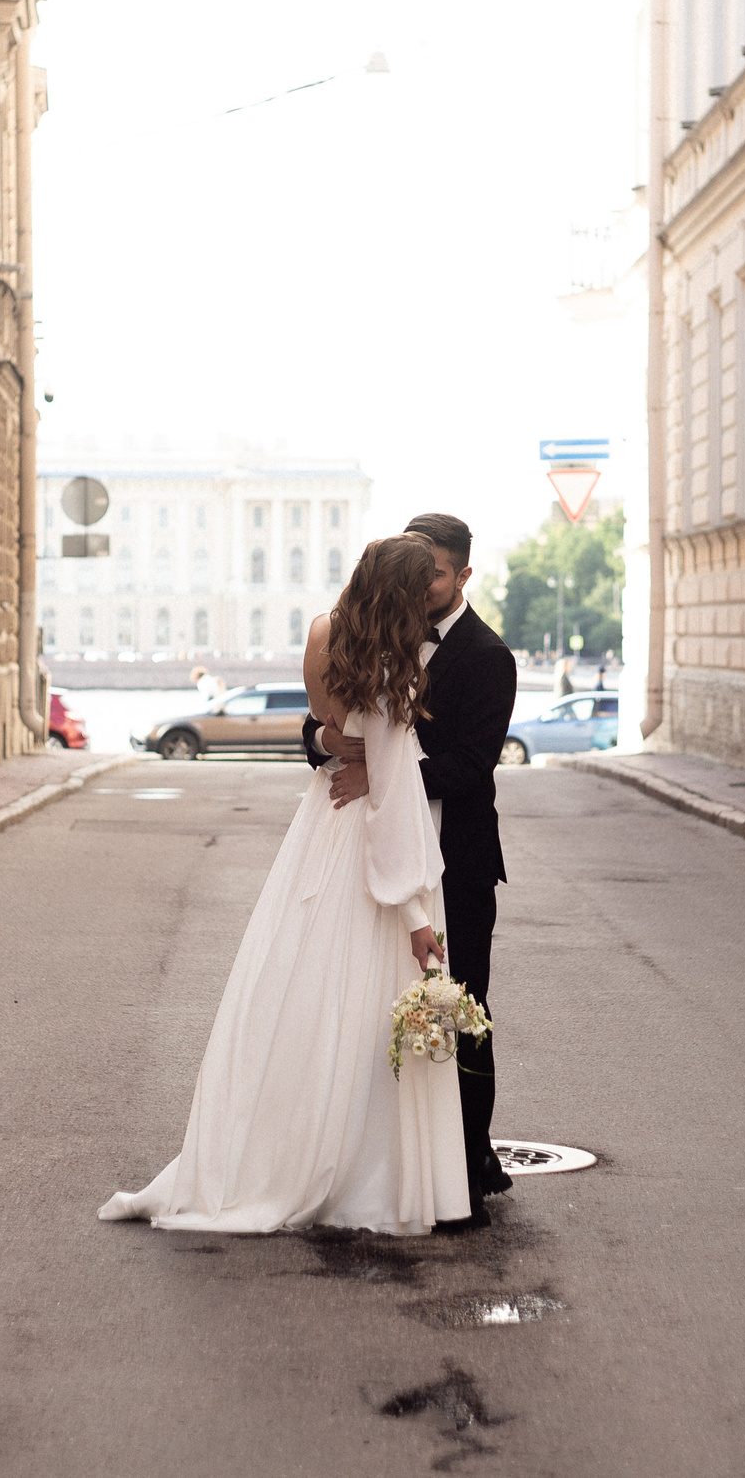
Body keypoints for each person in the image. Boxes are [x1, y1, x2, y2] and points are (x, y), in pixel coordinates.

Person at [99, 535, 469, 1234]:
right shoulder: (396, 666)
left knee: (299, 1001)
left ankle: (267, 1152)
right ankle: (360, 1172)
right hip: (365, 843)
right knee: (360, 1016)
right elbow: (390, 801)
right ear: (405, 596)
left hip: (320, 830)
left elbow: (326, 731)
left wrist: (338, 749)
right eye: (421, 594)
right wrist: (417, 910)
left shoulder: (326, 634)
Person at [307, 513, 517, 1208]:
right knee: (377, 1004)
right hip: (374, 842)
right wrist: (340, 750)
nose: (424, 583)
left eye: (436, 572)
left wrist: (386, 776)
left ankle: (470, 1155)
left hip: (454, 854)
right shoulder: (378, 640)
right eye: (415, 571)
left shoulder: (489, 656)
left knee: (460, 1006)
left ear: (460, 575)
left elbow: (469, 765)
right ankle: (393, 1158)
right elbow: (319, 727)